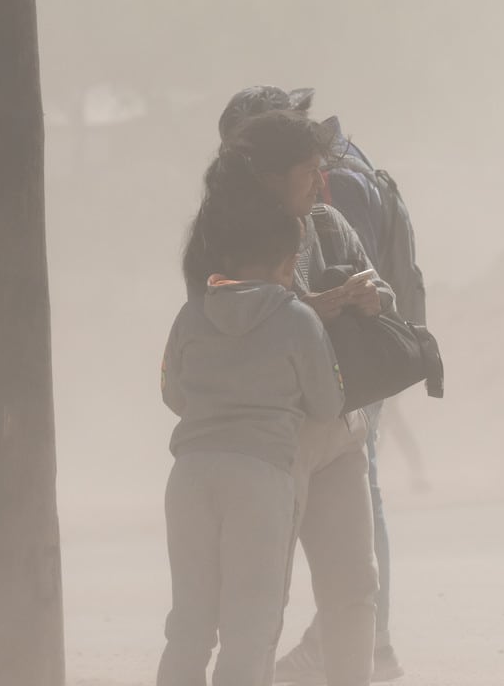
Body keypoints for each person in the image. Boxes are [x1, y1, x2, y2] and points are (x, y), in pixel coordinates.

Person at [189, 106, 392, 686]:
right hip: (272, 439)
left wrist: (374, 298)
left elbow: (382, 289)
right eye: (307, 171)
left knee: (354, 588)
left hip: (340, 432)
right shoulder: (223, 244)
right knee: (262, 603)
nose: (317, 183)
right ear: (273, 175)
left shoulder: (329, 223)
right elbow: (221, 326)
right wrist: (314, 310)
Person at [158, 198, 346, 686]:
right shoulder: (299, 318)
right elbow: (327, 405)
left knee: (189, 625)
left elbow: (173, 393)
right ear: (288, 263)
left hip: (191, 472)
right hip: (261, 476)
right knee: (249, 626)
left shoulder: (191, 312)